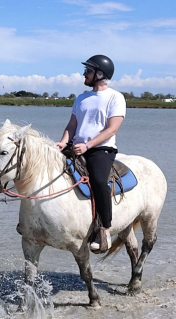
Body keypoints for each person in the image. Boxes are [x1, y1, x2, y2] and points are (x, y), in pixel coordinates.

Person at [55, 55, 126, 253]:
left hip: (101, 149)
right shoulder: (81, 98)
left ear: (100, 74)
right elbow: (72, 125)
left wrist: (88, 146)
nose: (83, 74)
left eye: (88, 71)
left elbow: (112, 129)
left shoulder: (115, 97)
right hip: (76, 146)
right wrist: (62, 142)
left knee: (98, 181)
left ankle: (104, 229)